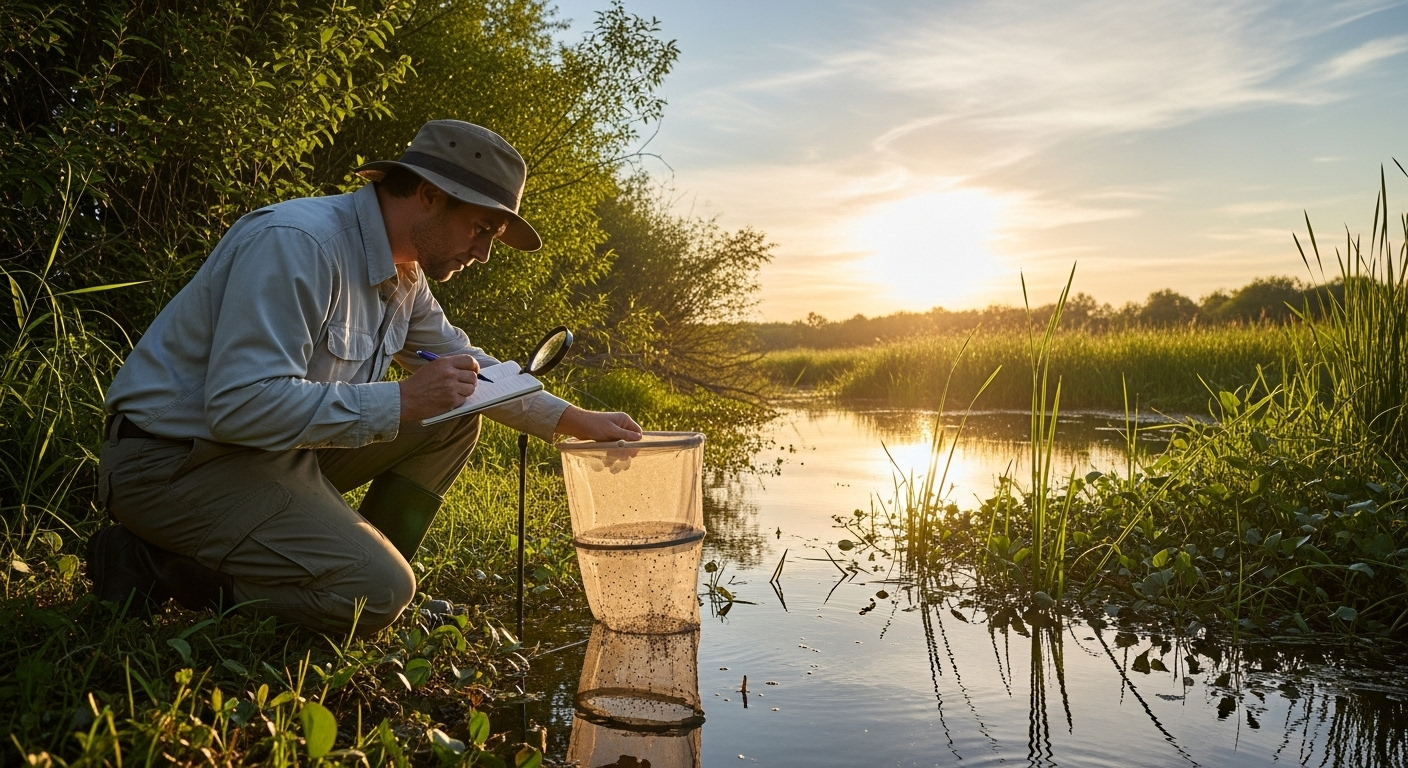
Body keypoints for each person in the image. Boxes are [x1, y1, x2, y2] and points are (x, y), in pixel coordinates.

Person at [88, 120, 642, 634]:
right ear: (427, 194)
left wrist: (575, 420)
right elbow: (239, 408)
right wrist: (399, 401)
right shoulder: (299, 243)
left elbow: (470, 367)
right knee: (375, 592)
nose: (483, 253)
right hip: (172, 463)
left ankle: (372, 554)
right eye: (481, 228)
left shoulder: (404, 276)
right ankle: (153, 566)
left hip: (267, 453)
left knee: (453, 419)